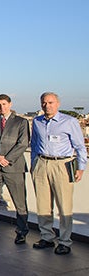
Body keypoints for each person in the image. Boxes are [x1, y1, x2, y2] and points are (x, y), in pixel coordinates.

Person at [31, 92, 87, 255]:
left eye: (50, 102)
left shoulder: (69, 121)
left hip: (62, 164)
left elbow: (80, 147)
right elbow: (34, 143)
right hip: (42, 163)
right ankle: (47, 237)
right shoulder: (37, 121)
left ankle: (64, 241)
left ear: (58, 104)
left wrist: (81, 167)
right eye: (44, 103)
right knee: (43, 204)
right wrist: (34, 164)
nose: (47, 105)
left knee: (64, 205)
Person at [0, 94, 30, 244]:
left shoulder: (21, 122)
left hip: (13, 166)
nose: (1, 107)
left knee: (19, 201)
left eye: (4, 104)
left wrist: (7, 159)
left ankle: (21, 231)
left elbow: (22, 143)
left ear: (10, 104)